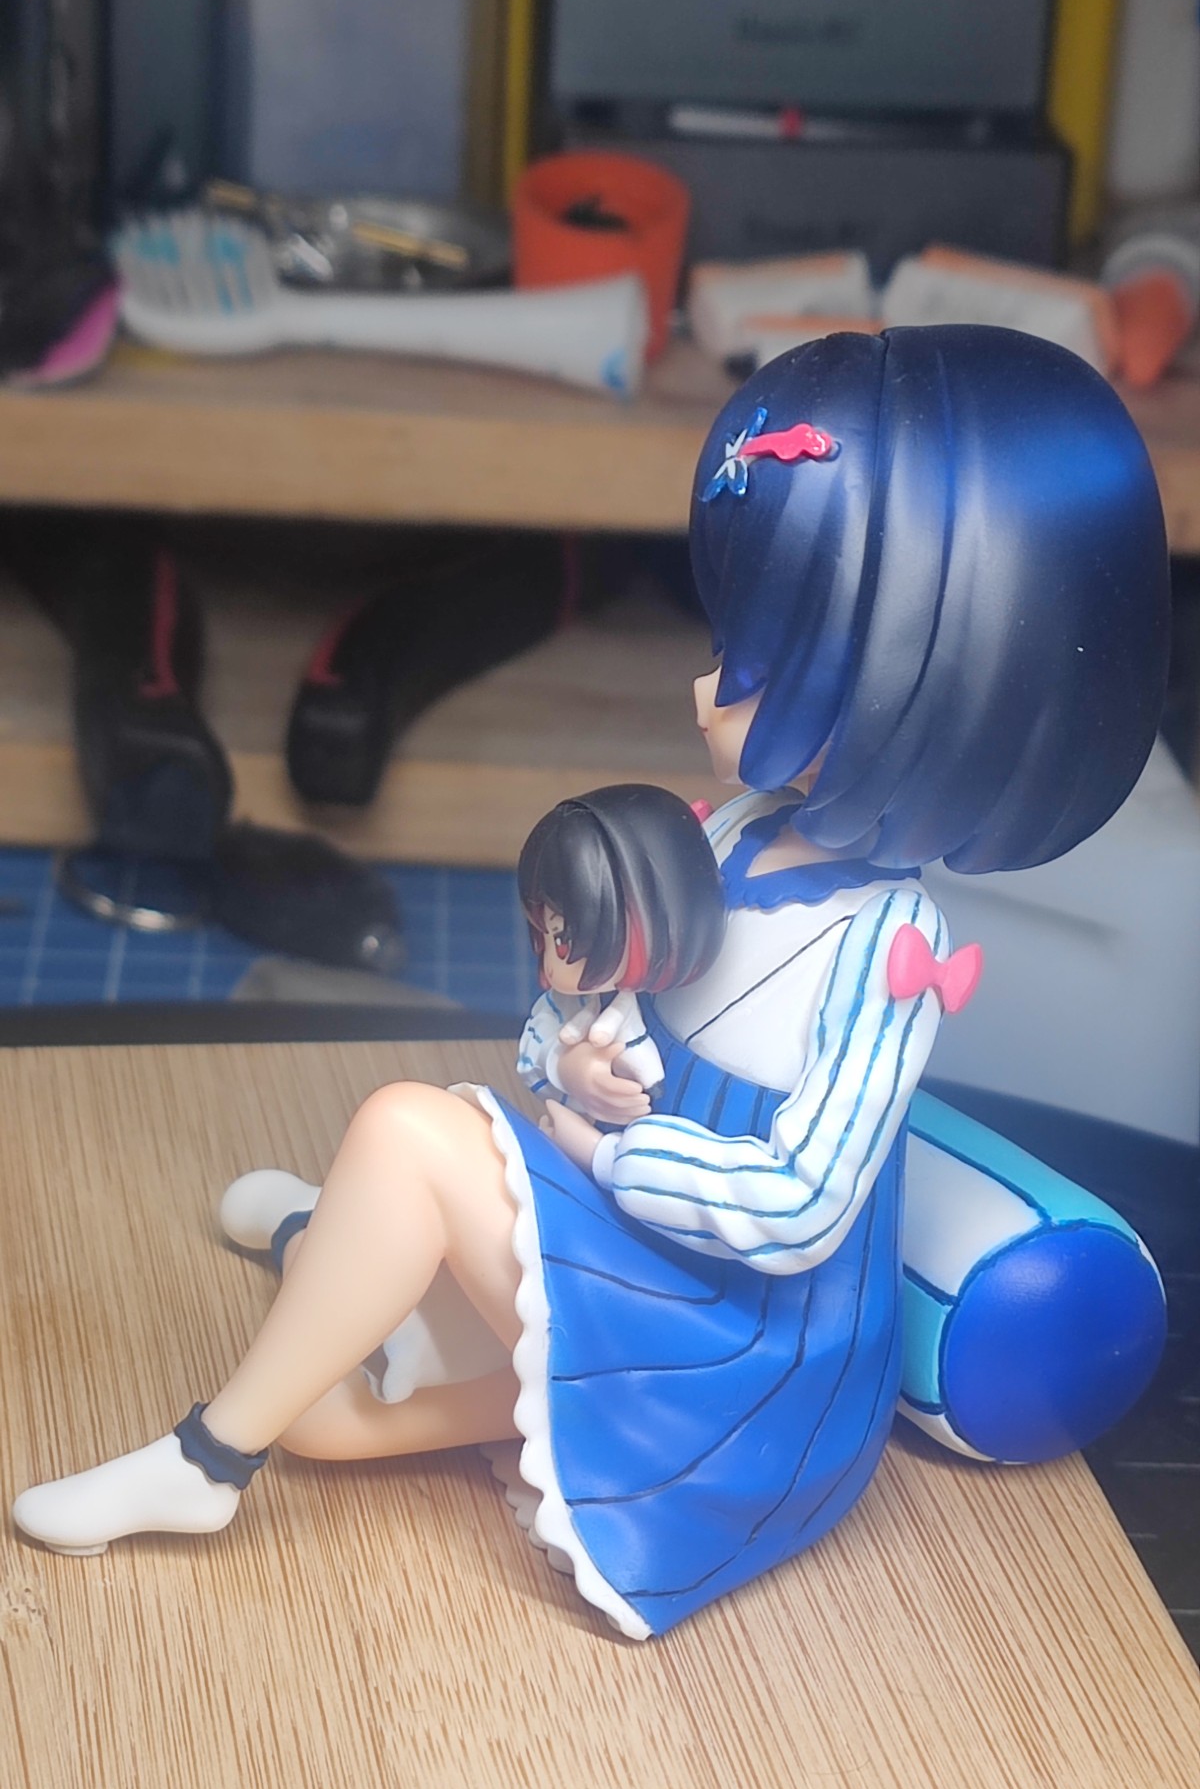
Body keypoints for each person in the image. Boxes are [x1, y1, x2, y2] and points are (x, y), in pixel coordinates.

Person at [12, 327, 1171, 1639]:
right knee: (330, 1422)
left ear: (915, 703)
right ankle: (333, 1249)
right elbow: (592, 991)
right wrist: (566, 1055)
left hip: (743, 1351)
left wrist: (609, 1152)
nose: (705, 686)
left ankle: (207, 1461)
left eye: (759, 669)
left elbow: (801, 1204)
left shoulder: (886, 949)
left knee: (408, 1131)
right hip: (634, 1246)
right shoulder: (727, 832)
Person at [514, 782, 725, 1151]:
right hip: (573, 1143)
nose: (550, 962)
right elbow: (532, 1046)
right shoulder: (575, 1003)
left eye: (561, 939)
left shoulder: (696, 1012)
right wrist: (566, 1068)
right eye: (543, 936)